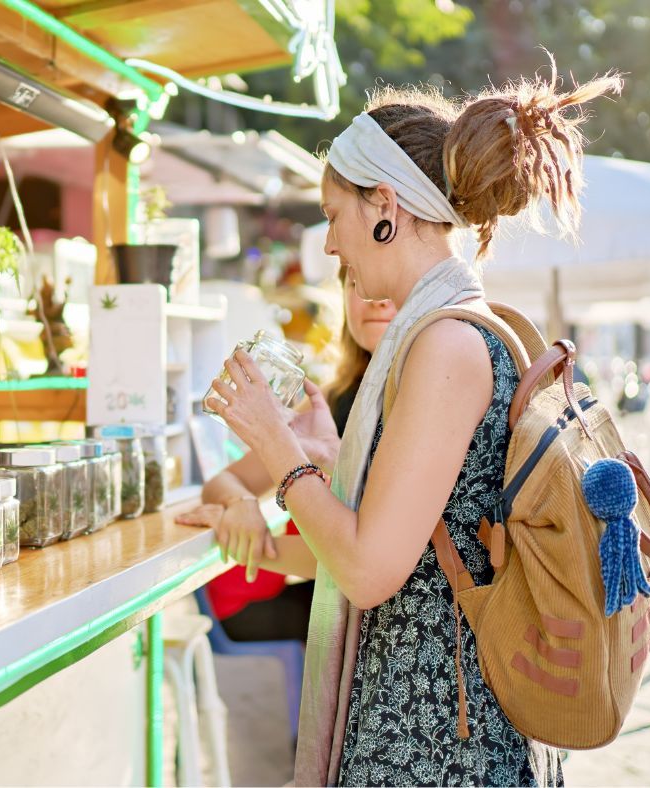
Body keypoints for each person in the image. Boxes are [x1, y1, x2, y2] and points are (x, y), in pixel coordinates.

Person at [205, 71, 621, 787]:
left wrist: (277, 447)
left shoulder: (446, 346)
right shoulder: (452, 331)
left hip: (436, 744)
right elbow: (411, 562)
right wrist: (285, 507)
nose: (331, 245)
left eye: (334, 215)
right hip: (438, 727)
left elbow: (369, 572)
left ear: (385, 208)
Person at [177, 267, 394, 642]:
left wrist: (254, 545)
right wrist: (242, 503)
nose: (376, 298)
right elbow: (223, 482)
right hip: (333, 602)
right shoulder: (327, 403)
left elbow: (371, 559)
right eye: (356, 282)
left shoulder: (423, 404)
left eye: (391, 281)